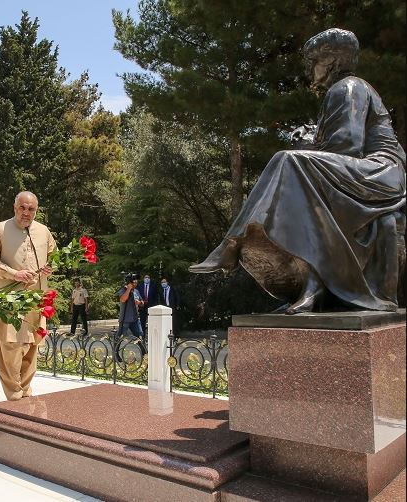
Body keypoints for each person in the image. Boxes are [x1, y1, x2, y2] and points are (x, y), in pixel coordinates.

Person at [190, 28, 406, 314]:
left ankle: (232, 241)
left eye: (314, 61)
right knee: (301, 183)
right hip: (369, 173)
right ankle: (312, 288)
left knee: (288, 160)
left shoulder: (349, 87)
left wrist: (308, 150)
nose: (309, 69)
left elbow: (348, 146)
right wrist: (309, 143)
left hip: (382, 172)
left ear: (330, 62)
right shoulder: (341, 91)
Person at [0, 191, 56, 401]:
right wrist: (14, 273)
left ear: (36, 210)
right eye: (22, 208)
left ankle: (25, 389)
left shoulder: (43, 231)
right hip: (10, 299)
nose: (26, 212)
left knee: (33, 344)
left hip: (36, 299)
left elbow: (54, 256)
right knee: (11, 345)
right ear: (15, 207)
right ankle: (13, 392)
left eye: (31, 209)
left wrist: (49, 267)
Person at [116, 273, 146, 357]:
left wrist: (139, 302)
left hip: (135, 319)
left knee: (140, 336)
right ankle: (116, 354)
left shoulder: (136, 291)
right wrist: (128, 289)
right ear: (129, 282)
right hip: (125, 319)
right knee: (120, 337)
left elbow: (142, 303)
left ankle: (145, 354)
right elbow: (123, 299)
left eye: (136, 282)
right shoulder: (123, 289)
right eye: (134, 282)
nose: (136, 284)